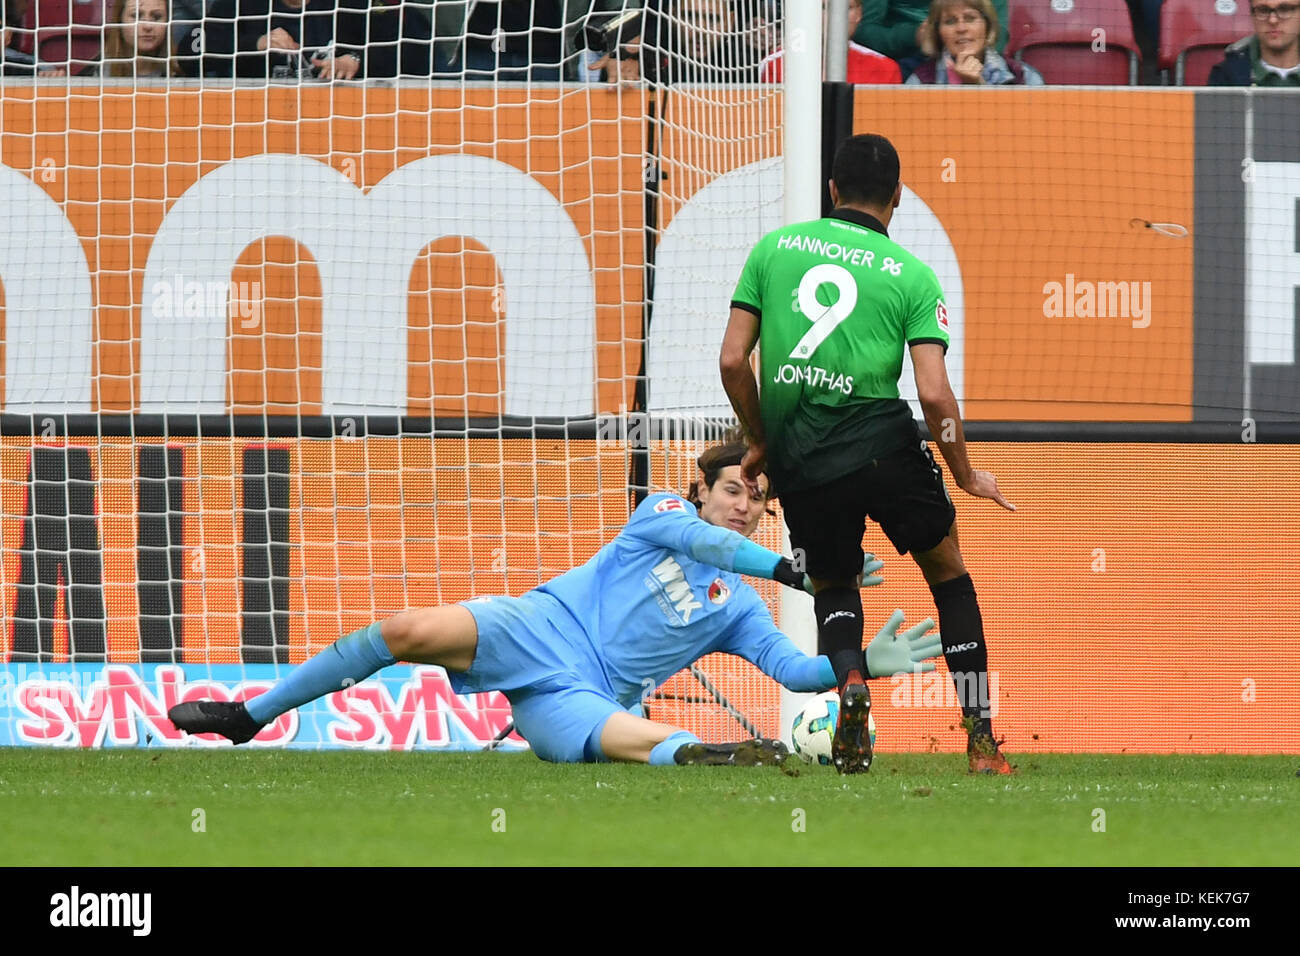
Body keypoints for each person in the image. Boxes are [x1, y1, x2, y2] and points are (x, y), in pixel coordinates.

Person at [169, 441, 943, 766]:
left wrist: (861, 663)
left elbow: (795, 671)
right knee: (404, 628)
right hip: (536, 625)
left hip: (580, 694)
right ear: (701, 490)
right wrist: (803, 575)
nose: (744, 505)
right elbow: (713, 548)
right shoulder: (661, 518)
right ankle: (251, 716)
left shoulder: (740, 609)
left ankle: (707, 757)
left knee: (637, 738)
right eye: (734, 489)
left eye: (757, 498)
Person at [719, 133, 1016, 775]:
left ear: (832, 191)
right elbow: (934, 395)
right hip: (884, 447)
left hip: (801, 458)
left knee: (833, 581)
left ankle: (851, 679)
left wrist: (761, 438)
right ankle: (981, 739)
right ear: (898, 197)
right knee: (948, 574)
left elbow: (731, 359)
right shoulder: (911, 275)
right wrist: (964, 473)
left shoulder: (773, 250)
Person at [201, 0, 367, 80]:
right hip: (258, 112)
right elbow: (189, 51)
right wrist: (256, 43)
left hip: (336, 111)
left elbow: (388, 46)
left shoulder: (349, 3)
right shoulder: (239, 4)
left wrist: (355, 60)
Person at [758, 0, 901, 85]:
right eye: (824, 7)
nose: (836, 16)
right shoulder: (776, 64)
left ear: (859, 14)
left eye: (847, 8)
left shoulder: (885, 68)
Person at [855, 0, 1006, 79]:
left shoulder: (1019, 74)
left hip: (984, 62)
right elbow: (863, 31)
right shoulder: (918, 79)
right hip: (906, 64)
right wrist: (913, 35)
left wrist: (976, 62)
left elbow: (999, 31)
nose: (961, 28)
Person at [904, 0, 1041, 85]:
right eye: (950, 21)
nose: (961, 28)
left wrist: (977, 87)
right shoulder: (919, 82)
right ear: (938, 32)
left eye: (970, 19)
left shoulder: (1025, 78)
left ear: (987, 26)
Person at [1208, 1, 1300, 86]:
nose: (1273, 20)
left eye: (1284, 9)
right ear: (1252, 16)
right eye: (1263, 10)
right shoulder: (1225, 76)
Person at [102, 0, 178, 77]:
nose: (148, 26)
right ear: (119, 20)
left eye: (156, 17)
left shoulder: (182, 71)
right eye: (136, 16)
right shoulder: (95, 72)